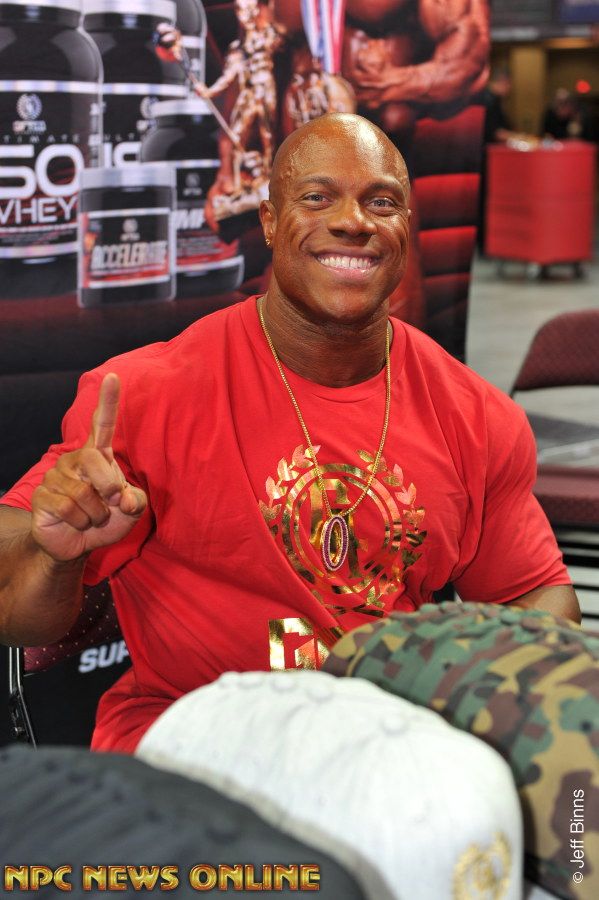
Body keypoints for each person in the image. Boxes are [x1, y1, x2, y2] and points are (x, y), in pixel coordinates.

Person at [0, 114, 580, 754]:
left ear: (406, 228)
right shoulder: (144, 395)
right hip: (193, 746)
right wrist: (56, 556)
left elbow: (535, 598)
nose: (353, 221)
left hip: (385, 747)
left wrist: (479, 702)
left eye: (381, 202)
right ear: (271, 222)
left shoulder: (476, 415)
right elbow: (14, 612)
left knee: (574, 794)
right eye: (318, 197)